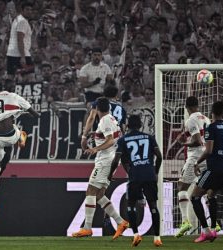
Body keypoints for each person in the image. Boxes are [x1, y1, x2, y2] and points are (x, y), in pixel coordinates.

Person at [0, 90, 40, 214]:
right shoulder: (14, 96)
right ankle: (21, 137)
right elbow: (36, 115)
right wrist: (23, 113)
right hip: (11, 137)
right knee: (14, 125)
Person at [72, 97, 128, 239]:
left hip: (105, 161)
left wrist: (95, 149)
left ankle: (87, 228)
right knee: (99, 195)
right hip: (110, 159)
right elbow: (111, 136)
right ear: (108, 108)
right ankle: (121, 222)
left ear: (96, 109)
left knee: (91, 191)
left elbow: (109, 140)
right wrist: (95, 135)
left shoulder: (104, 121)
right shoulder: (112, 119)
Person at [110, 115, 163, 247]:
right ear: (140, 125)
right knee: (153, 206)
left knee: (131, 204)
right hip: (150, 175)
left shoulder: (123, 140)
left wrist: (110, 174)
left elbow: (117, 160)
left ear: (127, 126)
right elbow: (160, 156)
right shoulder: (149, 138)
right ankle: (157, 238)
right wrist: (155, 172)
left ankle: (136, 235)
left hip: (135, 176)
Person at [191, 101, 223, 243]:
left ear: (212, 113)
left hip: (215, 169)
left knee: (195, 197)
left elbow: (208, 151)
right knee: (211, 195)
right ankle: (214, 229)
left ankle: (205, 231)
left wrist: (197, 162)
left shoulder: (211, 127)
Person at [175, 96, 210, 237]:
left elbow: (197, 141)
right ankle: (215, 223)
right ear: (197, 105)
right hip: (206, 158)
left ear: (187, 107)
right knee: (202, 190)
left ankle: (185, 221)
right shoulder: (206, 119)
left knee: (181, 187)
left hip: (195, 157)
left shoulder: (190, 120)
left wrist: (183, 144)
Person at [81, 85, 126, 151]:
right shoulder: (121, 108)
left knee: (103, 157)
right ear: (116, 96)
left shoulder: (99, 102)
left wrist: (84, 136)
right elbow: (123, 127)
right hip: (117, 138)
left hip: (104, 138)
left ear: (103, 94)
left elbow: (91, 118)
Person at [6, 2, 33, 78]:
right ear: (22, 10)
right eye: (27, 9)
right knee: (30, 77)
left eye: (31, 10)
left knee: (11, 78)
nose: (29, 11)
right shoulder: (22, 21)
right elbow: (20, 39)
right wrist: (23, 56)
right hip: (20, 53)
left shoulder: (17, 20)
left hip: (12, 53)